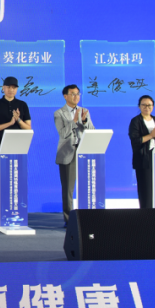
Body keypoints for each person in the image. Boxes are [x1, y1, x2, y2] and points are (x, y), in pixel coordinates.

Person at [0, 76, 31, 230]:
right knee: (0, 181)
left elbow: (29, 128)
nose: (11, 90)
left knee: (17, 181)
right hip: (0, 146)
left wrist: (18, 121)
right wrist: (10, 123)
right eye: (8, 87)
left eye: (14, 87)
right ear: (3, 88)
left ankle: (16, 214)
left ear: (17, 89)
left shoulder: (22, 105)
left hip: (18, 146)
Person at [54, 84, 93, 224]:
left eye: (78, 94)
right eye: (72, 94)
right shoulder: (59, 113)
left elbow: (92, 131)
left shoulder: (84, 111)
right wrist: (74, 121)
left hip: (83, 152)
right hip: (68, 154)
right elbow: (63, 133)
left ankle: (86, 217)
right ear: (65, 96)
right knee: (68, 189)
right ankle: (69, 220)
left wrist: (84, 121)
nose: (76, 96)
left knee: (86, 186)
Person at [128, 95, 155, 210]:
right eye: (144, 105)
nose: (147, 107)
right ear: (139, 106)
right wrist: (151, 135)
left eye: (149, 105)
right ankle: (146, 215)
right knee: (146, 191)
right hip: (143, 159)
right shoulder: (135, 121)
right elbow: (135, 141)